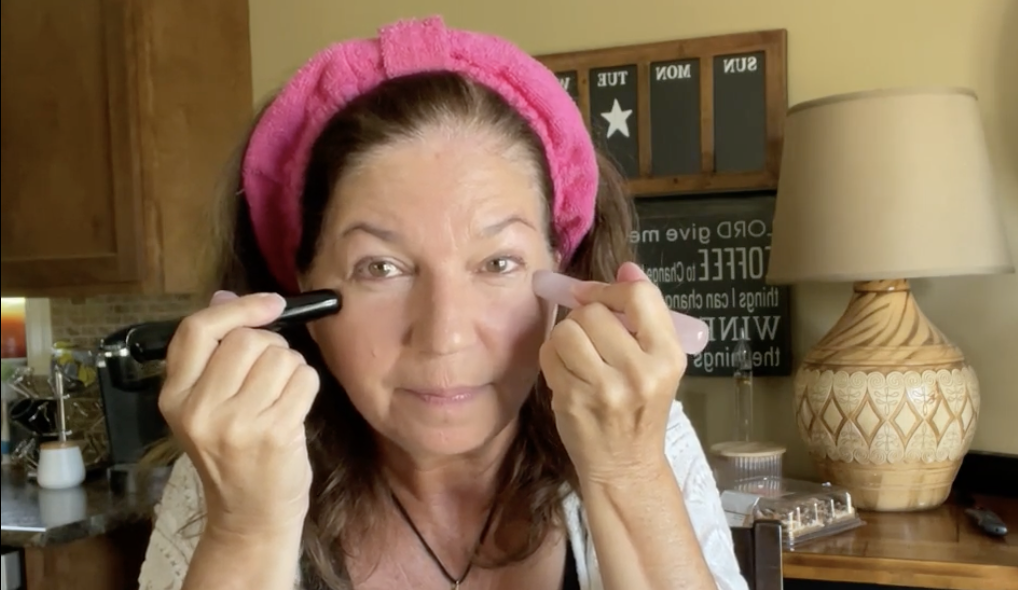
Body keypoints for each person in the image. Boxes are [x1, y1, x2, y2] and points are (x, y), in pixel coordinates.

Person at [137, 16, 748, 590]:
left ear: (560, 274)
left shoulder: (638, 431)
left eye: (498, 263)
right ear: (296, 293)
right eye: (381, 268)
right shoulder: (235, 459)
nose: (445, 336)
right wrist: (245, 529)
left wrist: (630, 479)